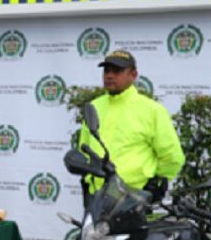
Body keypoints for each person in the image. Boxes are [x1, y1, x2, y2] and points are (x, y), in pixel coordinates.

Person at [79, 49, 184, 202]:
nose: (109, 75)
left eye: (117, 71)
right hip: (97, 197)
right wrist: (87, 182)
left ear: (133, 75)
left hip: (135, 199)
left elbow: (171, 155)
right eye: (106, 70)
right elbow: (84, 149)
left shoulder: (152, 110)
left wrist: (156, 183)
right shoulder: (94, 107)